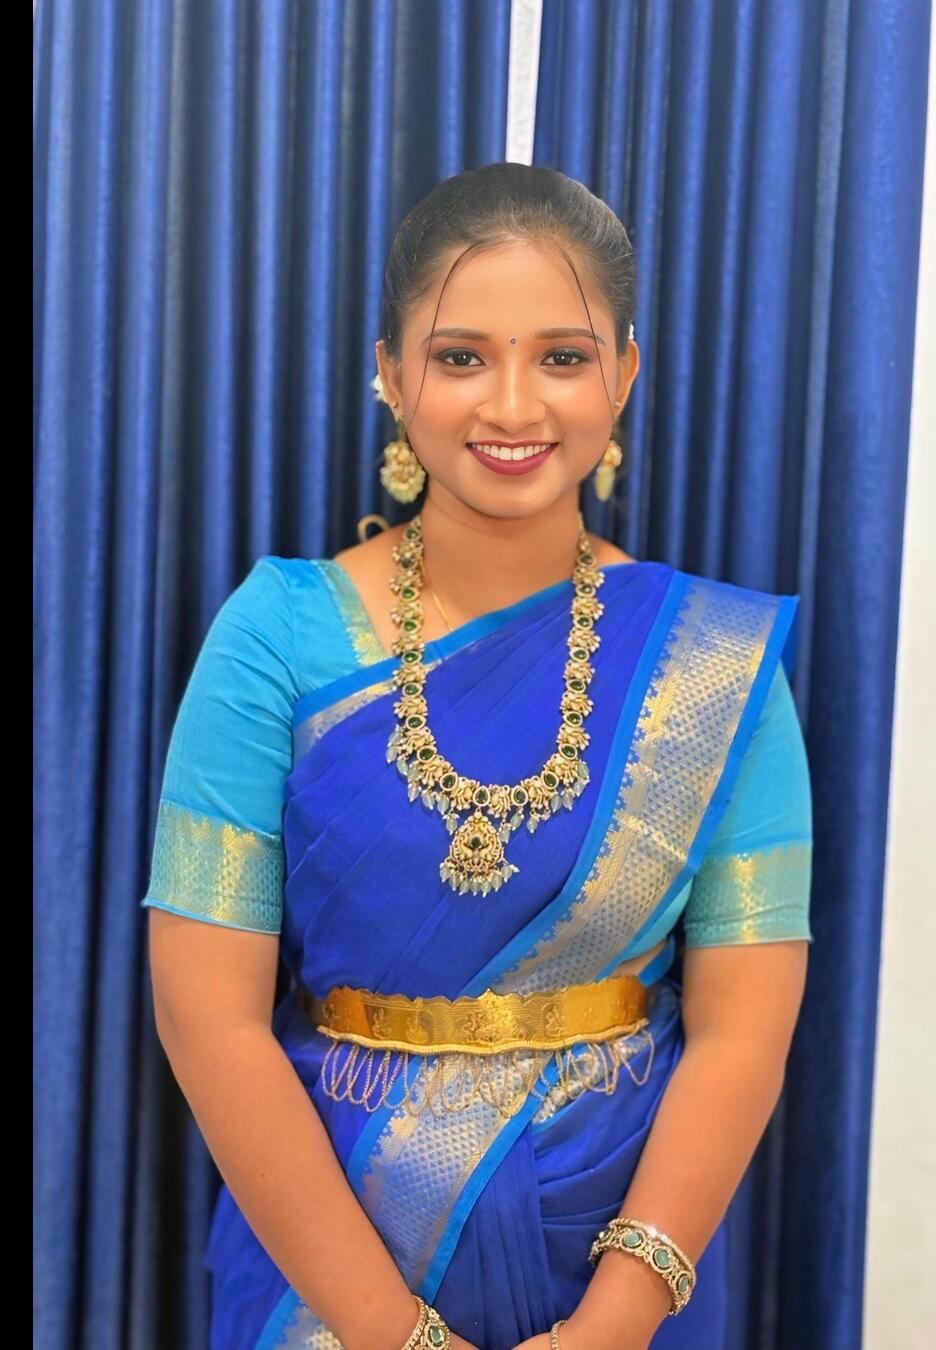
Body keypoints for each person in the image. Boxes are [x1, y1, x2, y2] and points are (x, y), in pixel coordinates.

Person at [142, 162, 813, 1350]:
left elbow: (743, 1032)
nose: (514, 405)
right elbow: (210, 1023)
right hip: (327, 1262)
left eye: (563, 355)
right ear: (391, 374)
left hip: (622, 1260)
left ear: (626, 374)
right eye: (460, 357)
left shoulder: (714, 664)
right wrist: (390, 1333)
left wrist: (615, 1322)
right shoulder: (277, 637)